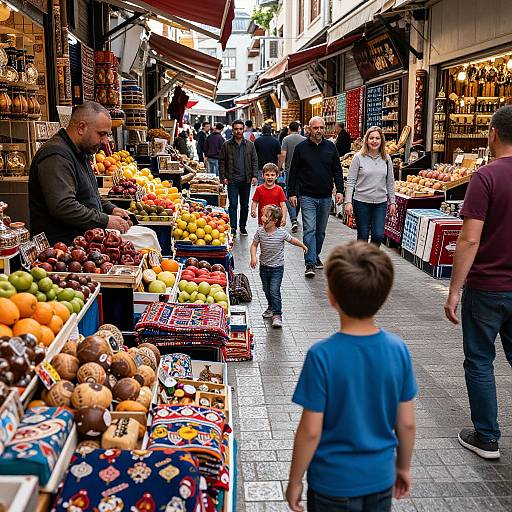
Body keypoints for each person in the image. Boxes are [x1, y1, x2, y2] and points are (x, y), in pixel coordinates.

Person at [286, 241, 417, 512]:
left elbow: (310, 431)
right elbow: (406, 424)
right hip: (380, 478)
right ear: (384, 296)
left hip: (332, 483)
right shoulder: (398, 350)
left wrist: (295, 480)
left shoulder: (322, 355)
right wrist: (402, 466)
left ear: (332, 297)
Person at [444, 105, 512, 460]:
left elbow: (469, 240)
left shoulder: (485, 177)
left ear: (493, 134)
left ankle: (487, 437)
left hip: (487, 286)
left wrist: (454, 290)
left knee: (481, 360)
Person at [29, 101, 131, 245]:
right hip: (60, 253)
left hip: (80, 246)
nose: (105, 141)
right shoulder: (56, 156)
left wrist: (110, 209)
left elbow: (87, 194)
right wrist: (105, 220)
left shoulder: (80, 152)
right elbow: (64, 206)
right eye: (101, 134)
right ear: (81, 127)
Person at [288, 116, 344, 278]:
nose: (319, 131)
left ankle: (315, 254)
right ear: (309, 129)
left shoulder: (331, 147)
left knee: (320, 232)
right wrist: (292, 193)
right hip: (307, 196)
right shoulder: (301, 148)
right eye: (315, 128)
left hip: (326, 196)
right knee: (310, 229)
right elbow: (293, 172)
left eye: (321, 128)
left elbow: (337, 170)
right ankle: (310, 263)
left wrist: (339, 190)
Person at [250, 204, 307, 328]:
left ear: (275, 221)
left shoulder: (281, 233)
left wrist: (302, 245)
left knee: (274, 290)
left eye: (266, 216)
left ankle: (277, 315)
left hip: (277, 268)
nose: (263, 218)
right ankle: (271, 306)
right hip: (264, 267)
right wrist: (253, 257)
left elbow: (292, 240)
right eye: (263, 215)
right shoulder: (260, 231)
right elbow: (254, 245)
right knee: (266, 289)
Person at [344, 126, 396, 247]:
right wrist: (348, 201)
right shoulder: (358, 157)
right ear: (366, 140)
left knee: (378, 235)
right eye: (371, 138)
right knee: (363, 234)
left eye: (377, 138)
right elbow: (351, 181)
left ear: (382, 140)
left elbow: (390, 182)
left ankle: (372, 260)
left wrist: (392, 202)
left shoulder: (386, 158)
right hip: (361, 202)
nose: (374, 141)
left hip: (380, 203)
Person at [219, 119, 258, 236]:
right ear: (232, 130)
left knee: (245, 205)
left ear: (243, 129)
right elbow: (221, 161)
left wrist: (255, 175)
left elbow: (254, 160)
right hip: (232, 180)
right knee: (233, 204)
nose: (238, 131)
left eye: (240, 129)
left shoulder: (250, 145)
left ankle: (242, 226)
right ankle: (233, 227)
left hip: (246, 180)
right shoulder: (226, 145)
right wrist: (223, 177)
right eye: (236, 129)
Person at [279, 121, 306, 233]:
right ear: (299, 128)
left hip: (290, 171)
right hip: (303, 172)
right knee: (299, 194)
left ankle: (293, 219)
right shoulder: (304, 139)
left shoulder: (286, 139)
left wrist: (279, 167)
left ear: (289, 129)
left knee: (289, 194)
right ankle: (295, 215)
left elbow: (283, 155)